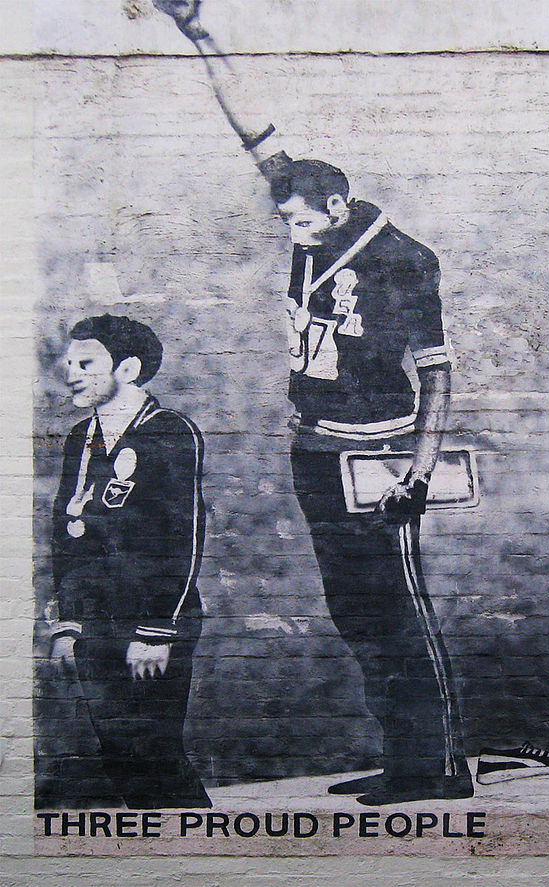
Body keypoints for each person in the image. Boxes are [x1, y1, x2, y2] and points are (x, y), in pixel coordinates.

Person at [151, 0, 474, 805]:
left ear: (338, 207)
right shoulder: (311, 220)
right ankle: (409, 756)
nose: (293, 233)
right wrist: (200, 34)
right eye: (285, 221)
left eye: (302, 221)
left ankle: (434, 769)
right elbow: (255, 133)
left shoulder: (401, 259)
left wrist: (420, 471)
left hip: (380, 453)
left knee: (398, 609)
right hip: (316, 447)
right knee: (357, 609)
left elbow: (437, 374)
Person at [49, 313, 211, 809]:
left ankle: (203, 854)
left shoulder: (170, 432)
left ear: (129, 368)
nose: (70, 372)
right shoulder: (82, 436)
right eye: (68, 362)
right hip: (96, 618)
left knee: (154, 749)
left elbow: (183, 539)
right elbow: (67, 535)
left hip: (153, 619)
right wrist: (69, 620)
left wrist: (156, 631)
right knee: (118, 751)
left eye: (85, 362)